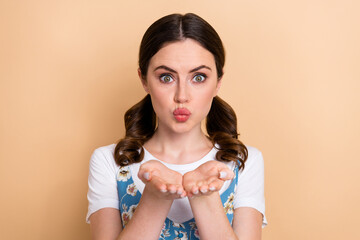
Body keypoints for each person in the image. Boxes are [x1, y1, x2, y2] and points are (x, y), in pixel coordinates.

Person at [86, 13, 267, 240]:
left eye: (199, 77)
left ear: (218, 81)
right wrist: (155, 197)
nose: (182, 96)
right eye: (166, 77)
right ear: (144, 79)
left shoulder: (242, 162)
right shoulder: (109, 162)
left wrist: (205, 198)